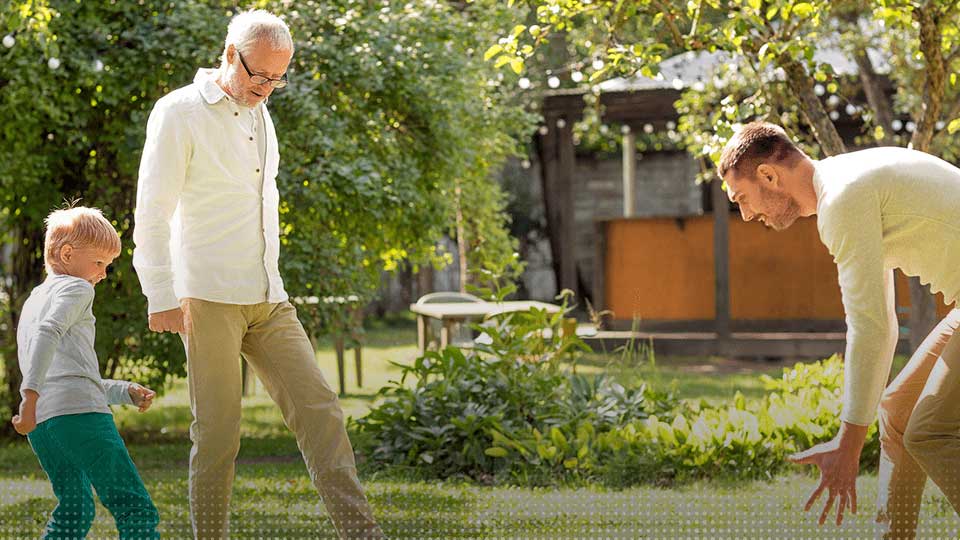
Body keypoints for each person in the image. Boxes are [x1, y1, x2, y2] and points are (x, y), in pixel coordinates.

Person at [133, 9, 383, 539]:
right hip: (207, 295)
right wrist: (159, 292)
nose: (267, 89)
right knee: (219, 434)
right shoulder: (178, 112)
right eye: (259, 75)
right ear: (229, 54)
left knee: (321, 412)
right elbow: (152, 209)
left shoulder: (258, 113)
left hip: (269, 295)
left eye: (277, 78)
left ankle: (362, 534)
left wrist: (273, 280)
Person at [718, 121, 960, 539]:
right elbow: (880, 326)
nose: (746, 214)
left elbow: (869, 328)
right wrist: (850, 439)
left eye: (742, 198)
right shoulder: (848, 182)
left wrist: (847, 449)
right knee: (897, 412)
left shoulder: (843, 199)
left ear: (769, 176)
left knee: (930, 432)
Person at [13, 206, 160, 539]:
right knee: (134, 506)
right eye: (99, 263)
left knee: (75, 507)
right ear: (67, 254)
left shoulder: (35, 298)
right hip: (79, 416)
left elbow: (68, 372)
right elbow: (50, 335)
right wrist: (28, 397)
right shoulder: (78, 289)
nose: (103, 274)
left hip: (45, 425)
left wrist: (124, 390)